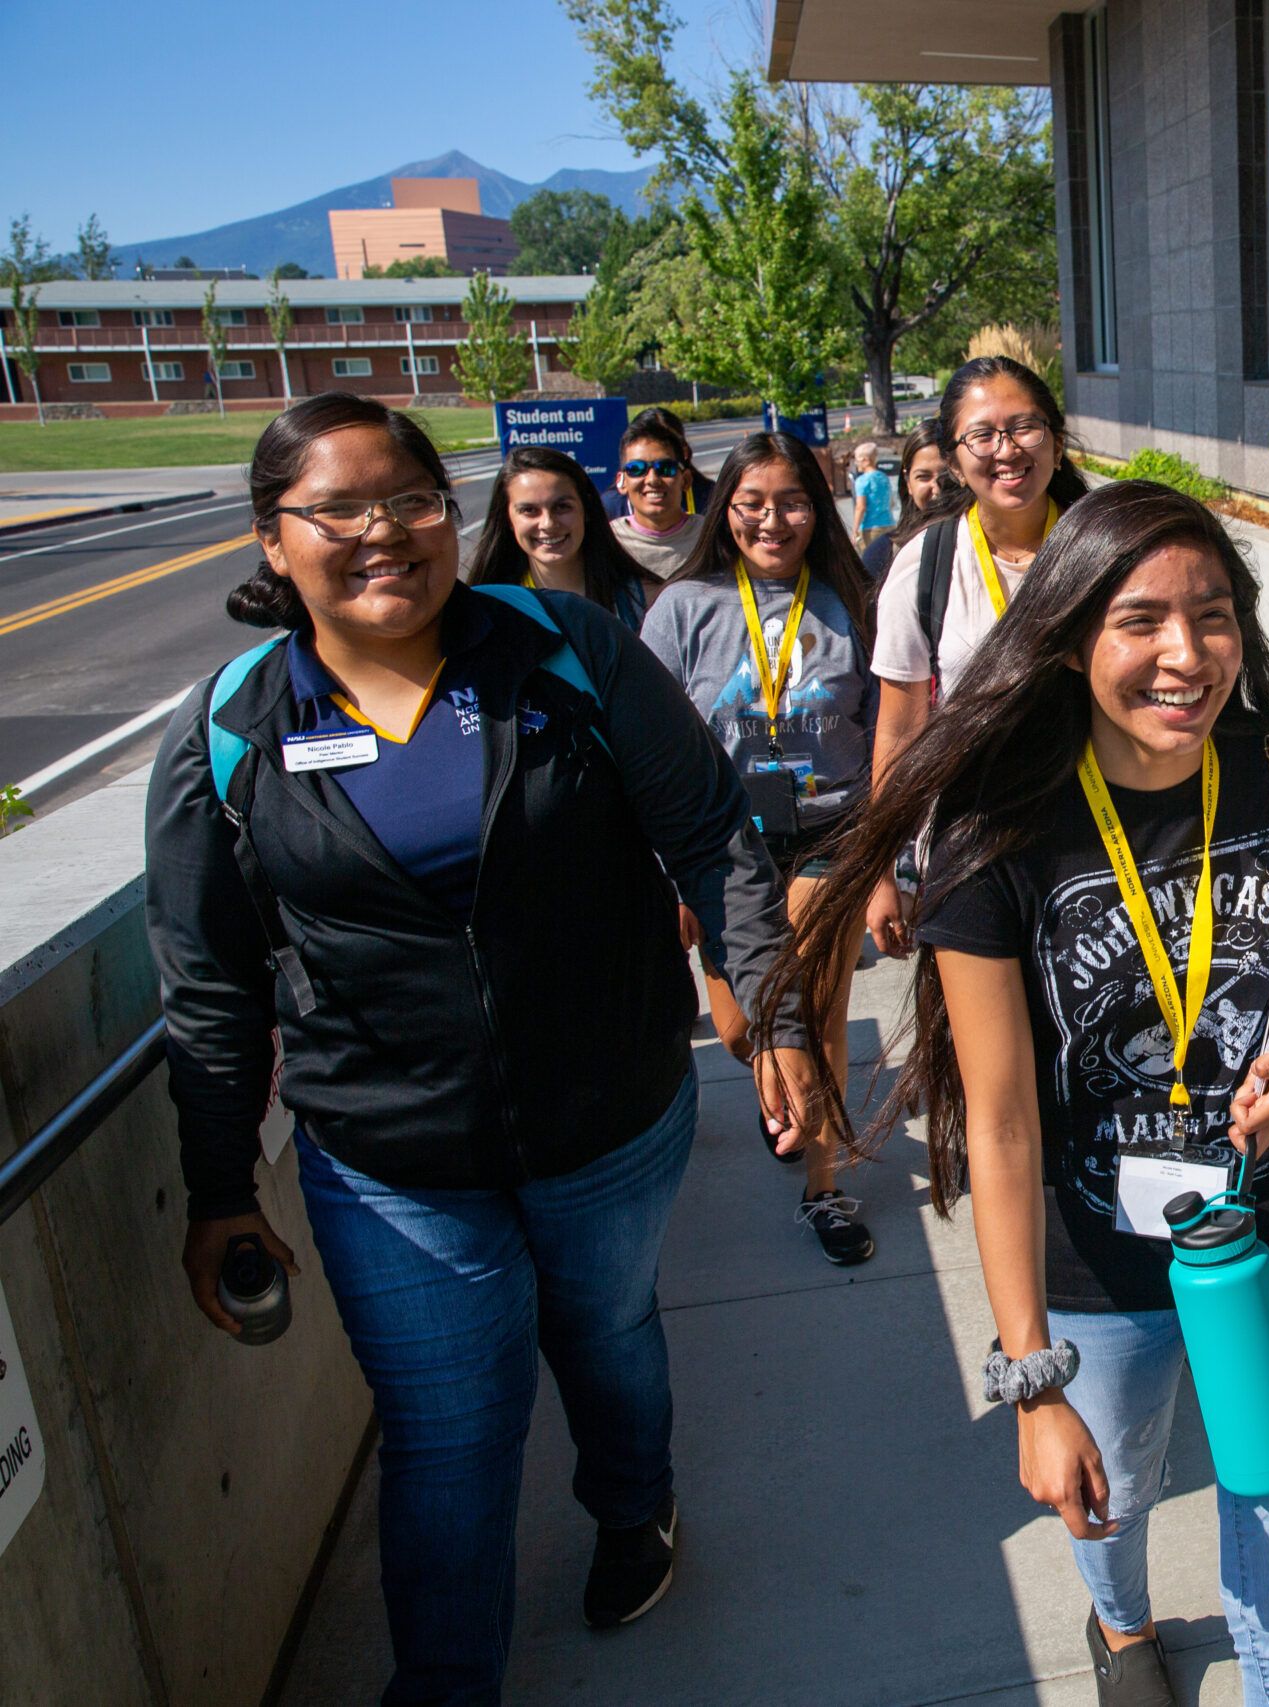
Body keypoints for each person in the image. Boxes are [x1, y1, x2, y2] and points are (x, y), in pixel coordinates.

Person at [144, 391, 824, 1703]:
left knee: (608, 1329)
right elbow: (211, 984)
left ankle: (636, 1507)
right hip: (387, 1163)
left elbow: (710, 827)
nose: (384, 531)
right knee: (448, 1436)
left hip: (613, 1118)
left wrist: (774, 1009)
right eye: (336, 510)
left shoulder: (558, 645)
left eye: (407, 498)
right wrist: (222, 1180)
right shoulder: (229, 730)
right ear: (271, 542)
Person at [775, 479, 1269, 1707]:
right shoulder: (998, 821)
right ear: (1070, 638)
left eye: (1212, 616)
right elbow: (992, 1120)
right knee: (1114, 1496)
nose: (1185, 654)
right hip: (1091, 1257)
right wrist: (1030, 1379)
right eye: (1141, 619)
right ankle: (1123, 1628)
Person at [641, 430, 878, 1267]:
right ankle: (776, 1080)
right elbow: (650, 746)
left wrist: (888, 860)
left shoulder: (856, 601)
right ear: (724, 508)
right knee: (746, 1028)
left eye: (793, 502)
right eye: (753, 503)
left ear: (820, 509)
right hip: (718, 846)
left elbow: (889, 737)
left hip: (831, 832)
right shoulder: (682, 608)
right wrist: (667, 875)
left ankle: (828, 1185)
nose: (773, 519)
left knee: (815, 1009)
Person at [865, 355, 1089, 960]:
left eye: (1024, 427)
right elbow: (900, 727)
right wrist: (881, 870)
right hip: (974, 844)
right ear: (955, 457)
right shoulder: (925, 564)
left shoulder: (1108, 546)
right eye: (982, 435)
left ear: (1057, 441)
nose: (1006, 449)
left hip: (1105, 830)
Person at [464, 444, 654, 628]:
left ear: (586, 509)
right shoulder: (487, 610)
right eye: (529, 510)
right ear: (508, 519)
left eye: (562, 507)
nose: (548, 524)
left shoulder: (643, 600)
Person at [611, 407, 706, 581]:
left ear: (685, 480)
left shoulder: (710, 539)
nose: (652, 480)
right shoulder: (607, 543)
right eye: (636, 469)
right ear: (621, 481)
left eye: (665, 468)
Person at [860, 421, 948, 584]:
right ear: (908, 482)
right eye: (923, 477)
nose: (937, 489)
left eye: (946, 476)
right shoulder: (881, 555)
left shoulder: (996, 547)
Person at [849, 439, 897, 553]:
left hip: (871, 528)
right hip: (889, 524)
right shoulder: (884, 477)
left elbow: (861, 507)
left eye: (857, 460)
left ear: (865, 460)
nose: (856, 464)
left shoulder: (862, 480)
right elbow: (891, 502)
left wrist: (854, 530)